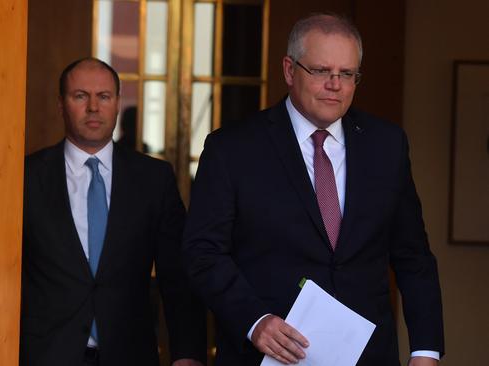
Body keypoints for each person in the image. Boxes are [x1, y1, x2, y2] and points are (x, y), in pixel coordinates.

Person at [182, 13, 444, 366]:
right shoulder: (232, 149)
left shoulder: (387, 145)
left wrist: (425, 351)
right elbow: (203, 252)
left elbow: (414, 256)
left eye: (347, 74)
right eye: (321, 71)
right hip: (267, 354)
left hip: (368, 357)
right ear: (290, 71)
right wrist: (255, 322)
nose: (335, 84)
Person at [20, 58, 207, 366]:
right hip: (45, 356)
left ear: (118, 103)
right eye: (80, 96)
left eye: (104, 96)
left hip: (130, 355)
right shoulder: (26, 177)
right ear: (61, 104)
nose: (93, 107)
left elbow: (178, 276)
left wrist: (187, 353)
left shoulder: (153, 179)